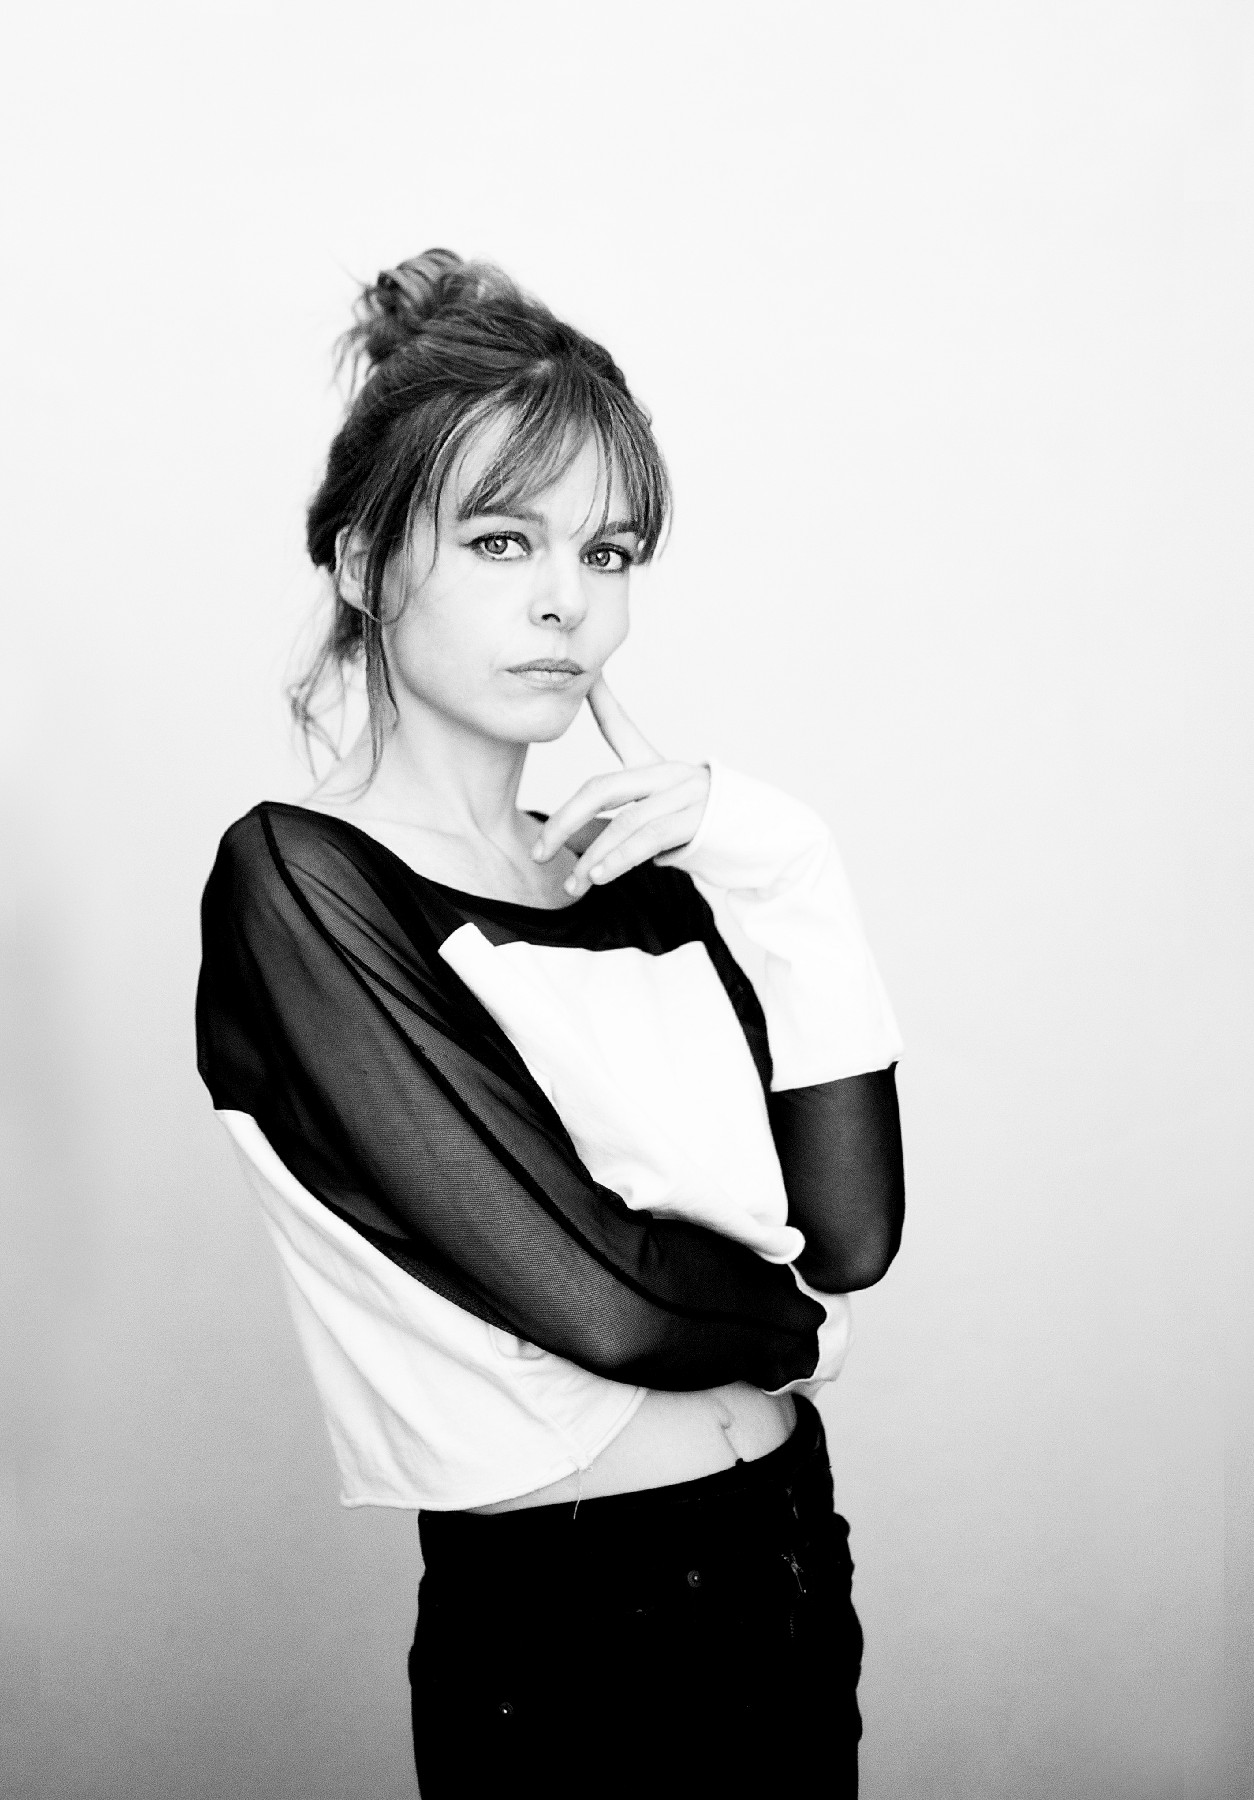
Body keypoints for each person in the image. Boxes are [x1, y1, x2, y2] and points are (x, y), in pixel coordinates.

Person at [195, 248, 905, 1798]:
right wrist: (797, 1333)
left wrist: (780, 858)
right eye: (500, 539)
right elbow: (605, 1301)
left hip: (790, 1555)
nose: (564, 602)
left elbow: (848, 1230)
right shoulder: (302, 883)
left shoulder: (639, 882)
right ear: (364, 563)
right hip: (574, 1629)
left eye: (609, 551)